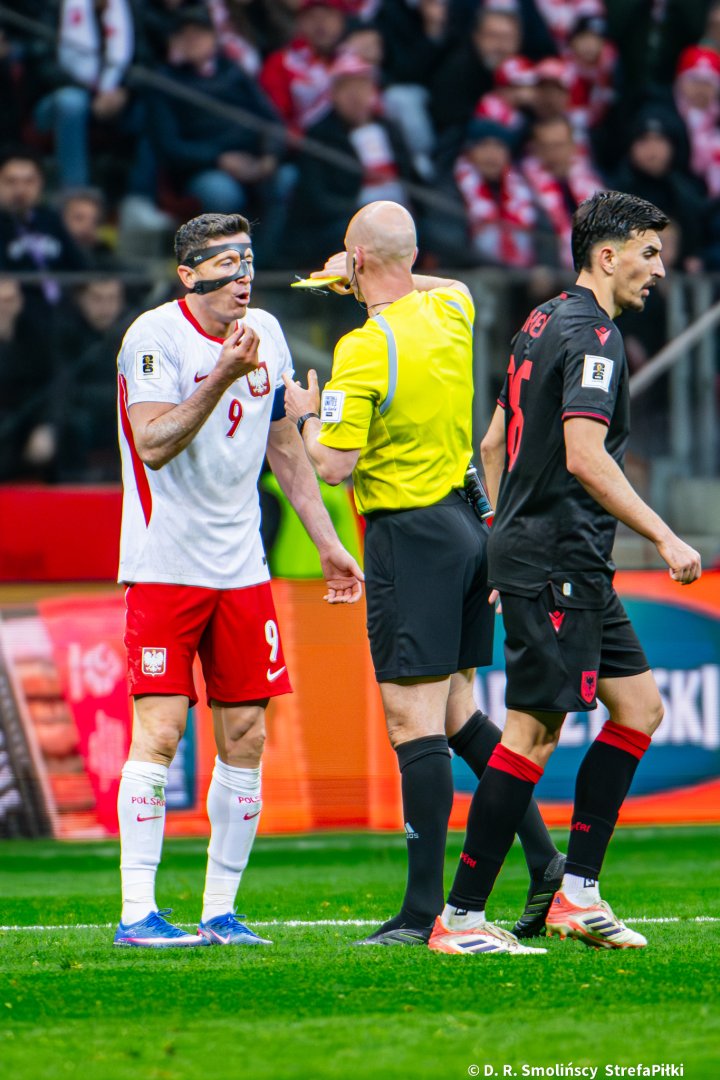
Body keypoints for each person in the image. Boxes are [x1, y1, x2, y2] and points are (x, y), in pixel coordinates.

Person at [283, 200, 563, 949]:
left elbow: (335, 466)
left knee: (413, 723)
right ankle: (545, 863)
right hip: (467, 529)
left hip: (408, 537)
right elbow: (435, 281)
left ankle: (419, 912)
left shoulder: (363, 348)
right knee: (458, 713)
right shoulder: (453, 311)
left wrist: (305, 415)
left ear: (356, 260)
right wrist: (370, 268)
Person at [430, 190, 701, 956]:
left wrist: (501, 533)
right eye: (648, 252)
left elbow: (493, 444)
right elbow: (584, 456)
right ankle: (461, 917)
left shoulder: (540, 321)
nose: (660, 268)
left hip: (556, 557)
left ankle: (576, 895)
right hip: (558, 560)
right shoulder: (596, 337)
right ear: (607, 256)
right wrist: (665, 535)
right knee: (533, 732)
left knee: (639, 709)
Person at [113, 211, 363, 948]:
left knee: (247, 736)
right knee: (161, 732)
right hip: (164, 564)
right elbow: (152, 443)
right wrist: (221, 373)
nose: (242, 277)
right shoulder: (153, 337)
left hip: (243, 568)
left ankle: (220, 911)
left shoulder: (269, 333)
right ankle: (136, 914)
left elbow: (283, 446)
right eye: (225, 264)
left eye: (248, 262)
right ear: (188, 275)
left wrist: (327, 544)